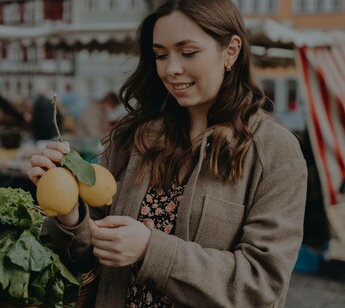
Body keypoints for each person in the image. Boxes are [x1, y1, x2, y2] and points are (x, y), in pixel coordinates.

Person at [28, 0, 307, 307]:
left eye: (188, 53)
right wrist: (69, 212)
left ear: (231, 50)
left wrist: (151, 249)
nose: (172, 68)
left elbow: (262, 284)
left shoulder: (275, 151)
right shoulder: (135, 136)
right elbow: (84, 256)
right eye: (161, 55)